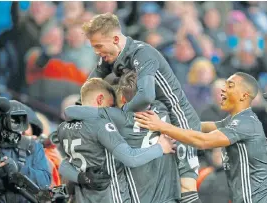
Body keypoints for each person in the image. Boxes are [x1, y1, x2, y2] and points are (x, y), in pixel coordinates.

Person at [82, 12, 202, 203]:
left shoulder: (142, 53)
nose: (97, 52)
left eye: (98, 46)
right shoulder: (109, 56)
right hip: (154, 123)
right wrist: (79, 112)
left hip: (180, 122)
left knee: (185, 186)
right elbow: (89, 88)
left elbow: (146, 95)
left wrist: (117, 115)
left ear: (114, 39)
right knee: (162, 191)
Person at [135, 72, 267, 203]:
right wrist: (168, 121)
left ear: (244, 95)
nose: (223, 89)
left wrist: (162, 126)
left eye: (230, 86)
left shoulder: (245, 123)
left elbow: (203, 141)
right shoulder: (235, 120)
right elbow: (198, 126)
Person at [63, 72, 181, 203]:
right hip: (171, 193)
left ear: (123, 99)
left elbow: (69, 111)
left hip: (139, 197)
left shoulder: (117, 117)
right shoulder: (163, 108)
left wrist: (160, 148)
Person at [0, 100, 51, 203]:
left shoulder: (33, 146)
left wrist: (19, 169)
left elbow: (45, 182)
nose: (22, 130)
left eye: (20, 121)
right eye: (13, 120)